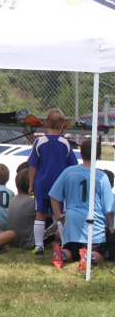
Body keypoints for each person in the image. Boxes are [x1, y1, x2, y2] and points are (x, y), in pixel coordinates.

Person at [48, 137, 115, 270]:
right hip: (93, 220)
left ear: (81, 153)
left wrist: (58, 215)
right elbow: (109, 207)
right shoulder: (101, 177)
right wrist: (111, 227)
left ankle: (61, 254)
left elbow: (53, 195)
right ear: (98, 155)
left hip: (72, 219)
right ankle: (89, 257)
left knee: (71, 249)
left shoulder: (68, 172)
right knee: (98, 251)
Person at [27, 109, 78, 254]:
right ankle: (64, 246)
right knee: (60, 216)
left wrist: (31, 184)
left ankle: (39, 246)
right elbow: (73, 167)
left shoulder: (39, 142)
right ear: (63, 125)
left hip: (42, 185)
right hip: (60, 188)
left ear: (46, 123)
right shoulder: (65, 144)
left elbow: (32, 165)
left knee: (40, 214)